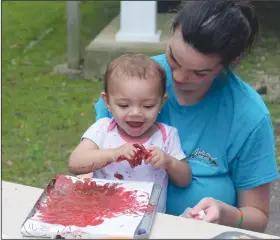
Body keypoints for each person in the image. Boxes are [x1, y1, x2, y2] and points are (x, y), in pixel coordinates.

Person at [93, 0, 279, 232]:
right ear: (171, 33)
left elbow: (258, 217)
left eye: (200, 72)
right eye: (173, 58)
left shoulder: (249, 116)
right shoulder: (130, 85)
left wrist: (225, 213)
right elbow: (97, 165)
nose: (179, 78)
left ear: (231, 62)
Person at [68, 54, 192, 213]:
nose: (136, 113)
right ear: (107, 102)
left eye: (147, 106)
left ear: (161, 102)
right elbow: (75, 163)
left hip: (148, 222)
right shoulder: (103, 129)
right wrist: (114, 154)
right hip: (101, 215)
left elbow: (185, 179)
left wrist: (168, 162)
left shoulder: (166, 135)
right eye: (124, 105)